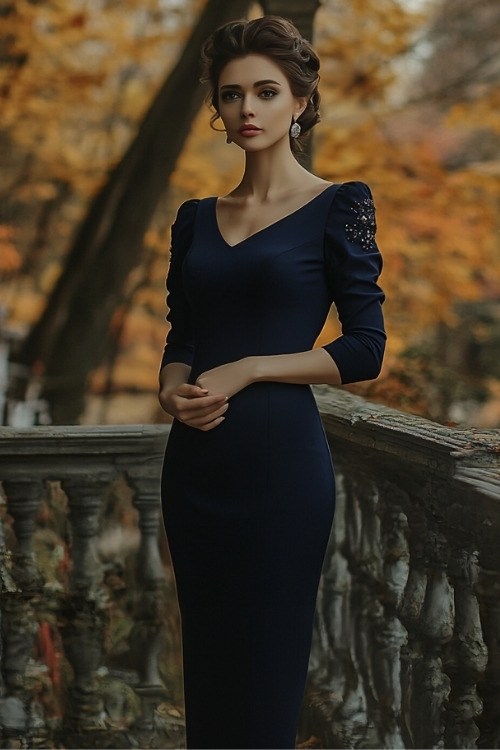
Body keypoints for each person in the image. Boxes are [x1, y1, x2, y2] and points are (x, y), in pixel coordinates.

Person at [158, 15, 385, 750]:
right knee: (212, 674)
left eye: (265, 92)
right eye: (231, 96)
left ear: (299, 104)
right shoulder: (194, 220)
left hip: (281, 473)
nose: (247, 109)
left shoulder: (339, 205)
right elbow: (182, 339)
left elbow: (365, 349)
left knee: (265, 674)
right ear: (218, 113)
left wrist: (254, 366)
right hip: (196, 469)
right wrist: (173, 389)